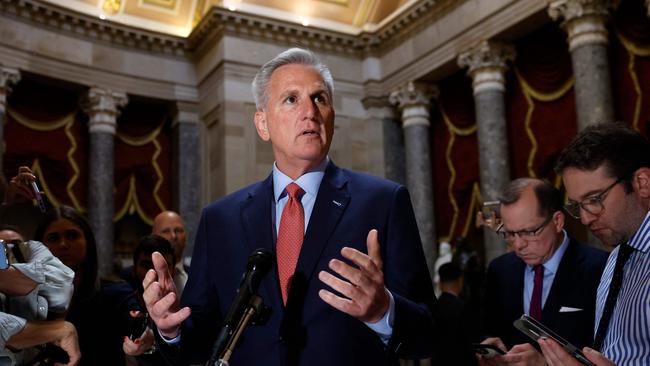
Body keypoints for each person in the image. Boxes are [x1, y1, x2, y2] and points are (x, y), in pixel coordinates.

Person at [144, 47, 436, 365]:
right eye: (291, 99)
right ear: (263, 124)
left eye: (320, 98)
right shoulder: (220, 219)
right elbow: (201, 339)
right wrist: (171, 327)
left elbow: (429, 334)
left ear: (332, 117)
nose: (309, 111)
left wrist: (383, 311)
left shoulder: (383, 202)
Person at [540, 123, 650, 365]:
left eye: (594, 199)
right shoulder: (616, 257)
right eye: (578, 205)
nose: (586, 218)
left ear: (642, 183)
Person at [480, 178, 607, 365]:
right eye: (510, 233)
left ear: (557, 221)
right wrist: (489, 345)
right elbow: (490, 327)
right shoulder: (500, 270)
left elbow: (609, 353)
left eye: (528, 232)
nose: (518, 245)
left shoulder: (601, 269)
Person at [34, 206, 126, 365]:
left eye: (72, 235)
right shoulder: (30, 302)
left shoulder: (115, 294)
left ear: (87, 241)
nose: (63, 244)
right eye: (53, 238)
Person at [122, 234, 176, 365]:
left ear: (173, 270)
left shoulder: (186, 314)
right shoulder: (121, 307)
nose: (153, 273)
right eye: (146, 265)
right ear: (134, 269)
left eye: (163, 266)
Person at [123, 211, 189, 294]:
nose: (173, 236)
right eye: (166, 231)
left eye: (178, 230)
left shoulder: (195, 274)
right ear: (153, 235)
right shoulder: (132, 276)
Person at [435, 262, 477, 366]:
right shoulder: (464, 307)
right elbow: (470, 341)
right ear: (460, 281)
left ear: (440, 283)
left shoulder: (433, 307)